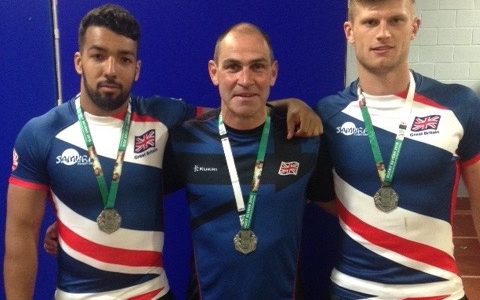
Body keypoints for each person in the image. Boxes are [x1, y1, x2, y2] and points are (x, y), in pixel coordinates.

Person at [3, 4, 322, 300]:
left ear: (137, 68)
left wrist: (287, 106)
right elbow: (20, 237)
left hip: (153, 294)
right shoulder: (40, 134)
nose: (111, 69)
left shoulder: (165, 118)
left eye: (124, 58)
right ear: (78, 61)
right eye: (99, 56)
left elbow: (233, 112)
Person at [314, 0, 480, 299]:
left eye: (395, 21)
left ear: (414, 27)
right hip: (354, 290)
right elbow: (327, 199)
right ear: (350, 31)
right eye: (370, 22)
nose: (383, 33)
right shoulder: (328, 114)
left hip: (438, 290)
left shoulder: (460, 104)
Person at [165, 22, 324, 300]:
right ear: (214, 72)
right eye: (233, 67)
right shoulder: (186, 140)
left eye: (258, 67)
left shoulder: (303, 139)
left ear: (273, 72)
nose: (246, 79)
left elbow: (345, 208)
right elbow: (137, 195)